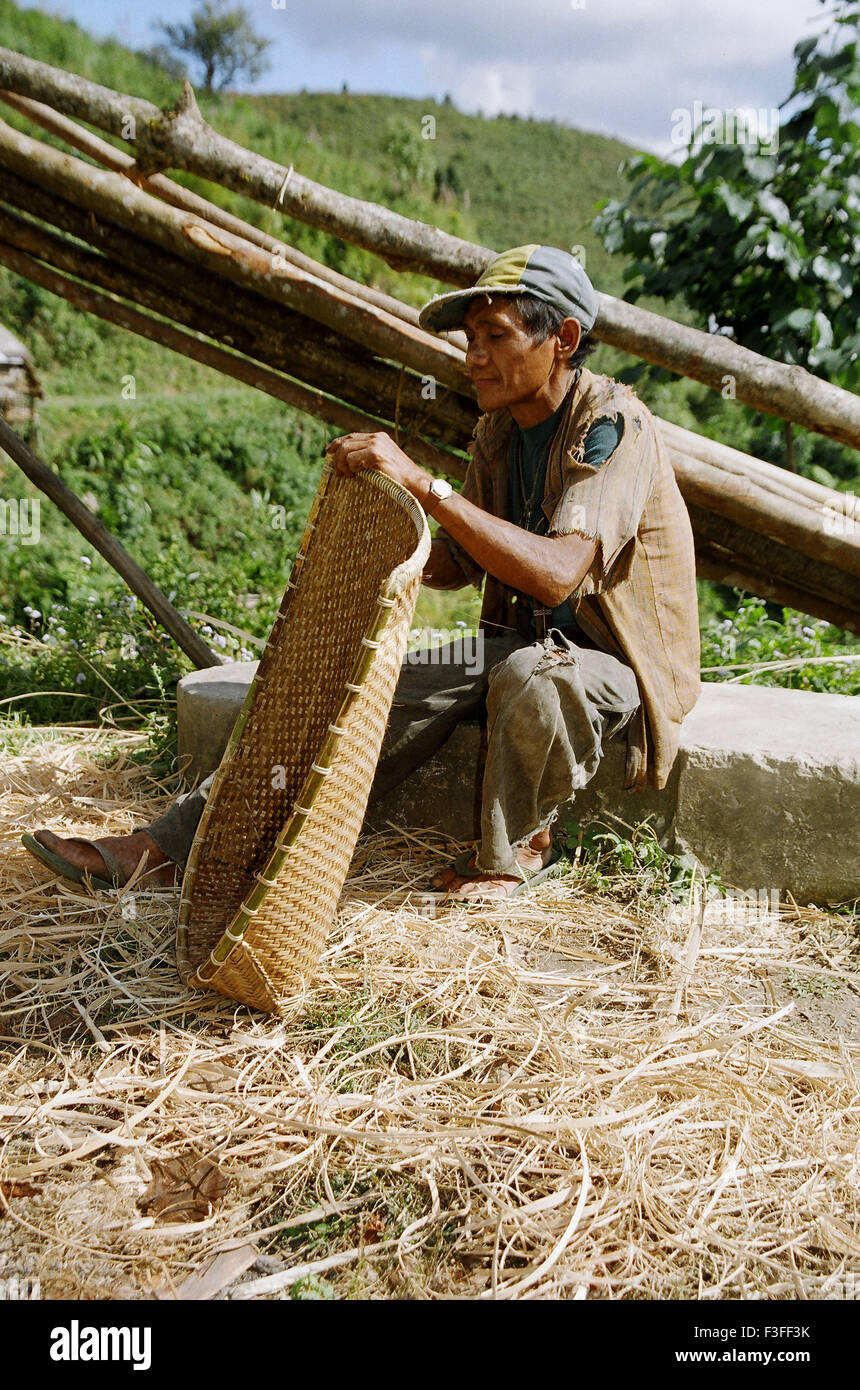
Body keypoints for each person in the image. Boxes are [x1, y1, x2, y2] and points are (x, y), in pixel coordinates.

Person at [24, 245, 700, 902]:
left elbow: (557, 575)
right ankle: (174, 849)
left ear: (565, 338)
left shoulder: (614, 424)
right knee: (376, 687)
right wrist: (379, 533)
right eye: (470, 337)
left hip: (609, 658)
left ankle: (515, 851)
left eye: (495, 335)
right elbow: (464, 560)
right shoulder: (497, 433)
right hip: (516, 645)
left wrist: (427, 486)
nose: (474, 357)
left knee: (533, 678)